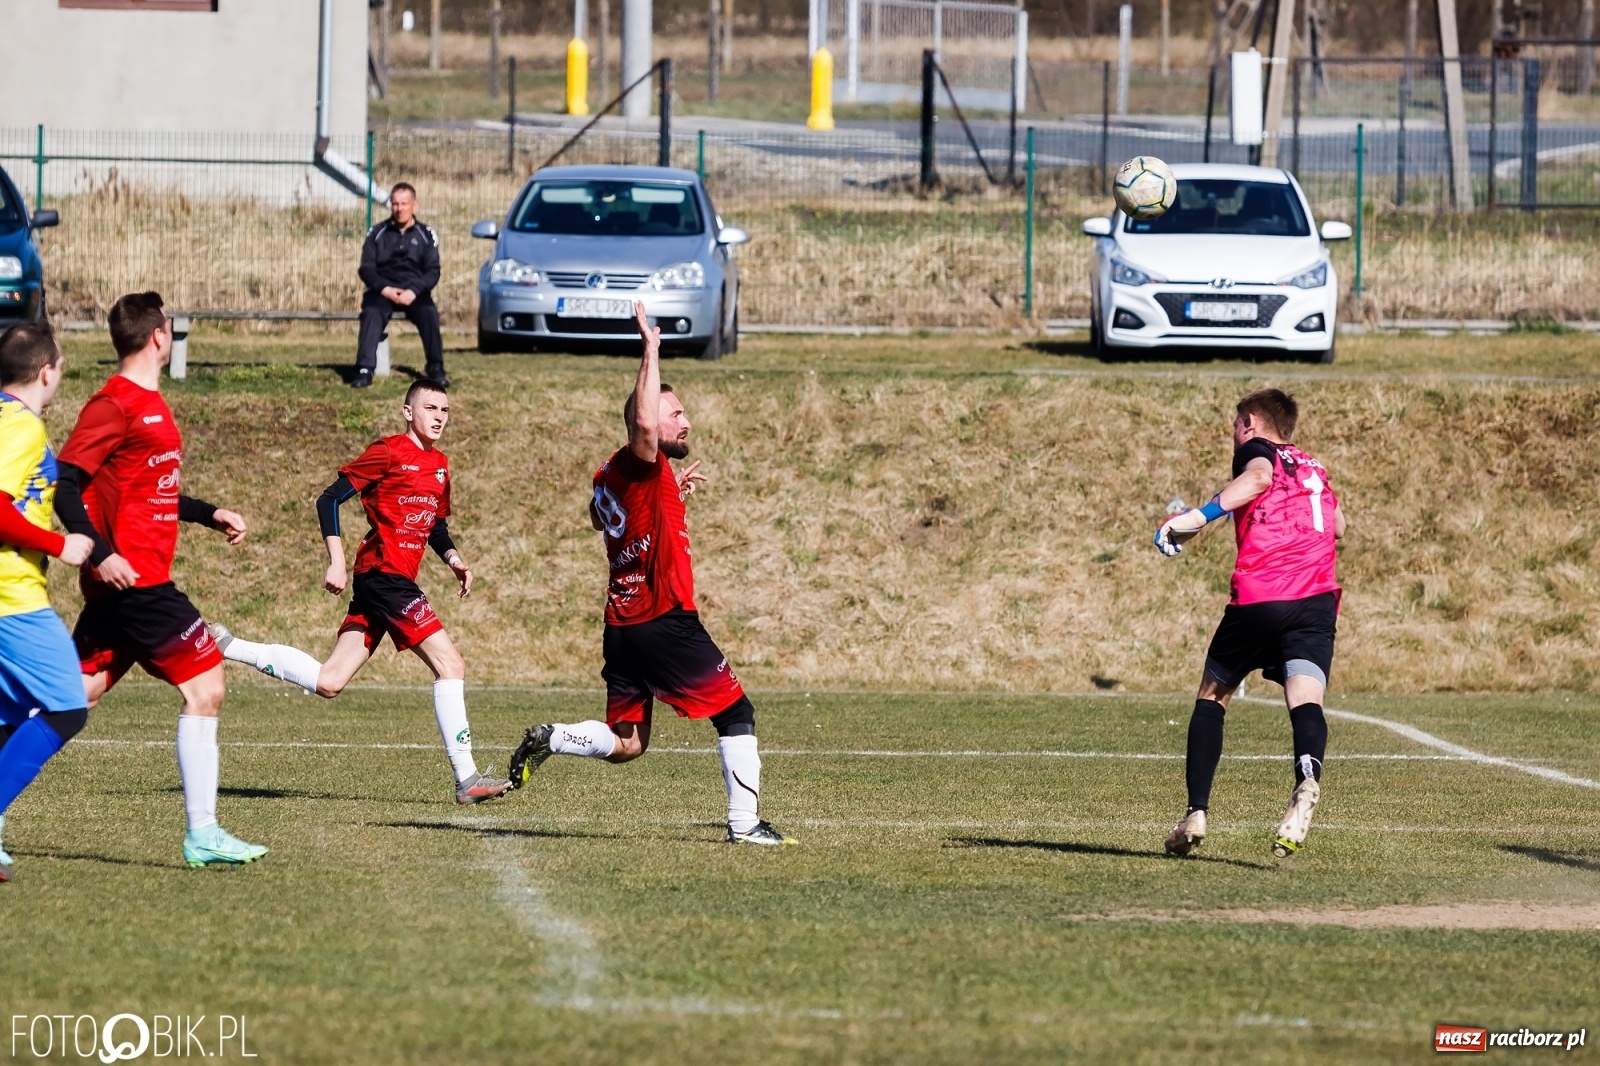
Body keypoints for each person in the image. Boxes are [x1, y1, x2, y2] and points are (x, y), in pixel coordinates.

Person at [506, 301, 794, 846]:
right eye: (676, 413)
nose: (685, 421)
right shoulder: (644, 458)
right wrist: (651, 347)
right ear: (647, 423)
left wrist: (666, 499)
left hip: (623, 624)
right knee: (737, 712)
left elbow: (600, 518)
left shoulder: (613, 472)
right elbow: (644, 423)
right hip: (664, 618)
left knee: (629, 741)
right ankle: (745, 826)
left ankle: (557, 737)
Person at [209, 379, 511, 805]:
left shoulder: (440, 465)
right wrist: (335, 559)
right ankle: (467, 779)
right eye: (430, 408)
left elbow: (434, 524)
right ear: (409, 412)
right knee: (452, 665)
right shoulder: (387, 451)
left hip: (387, 581)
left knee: (329, 682)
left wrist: (454, 560)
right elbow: (328, 500)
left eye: (445, 410)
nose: (440, 417)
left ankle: (226, 644)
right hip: (385, 577)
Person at [53, 292, 267, 869]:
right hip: (137, 582)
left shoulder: (151, 403)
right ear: (159, 335)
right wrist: (100, 553)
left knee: (75, 698)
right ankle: (203, 833)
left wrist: (207, 512)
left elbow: (152, 490)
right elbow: (65, 484)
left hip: (133, 581)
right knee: (206, 686)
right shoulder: (115, 403)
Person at [1153, 387, 1346, 859]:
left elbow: (1258, 479)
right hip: (1317, 599)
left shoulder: (1258, 453)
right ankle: (1306, 781)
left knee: (1213, 695)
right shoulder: (1313, 466)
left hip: (1264, 594)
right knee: (1305, 698)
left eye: (1236, 425)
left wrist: (1193, 517)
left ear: (1252, 423)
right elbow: (1339, 526)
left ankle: (1196, 812)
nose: (1234, 435)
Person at [0, 324, 96, 882]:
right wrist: (61, 545)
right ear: (46, 372)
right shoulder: (23, 426)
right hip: (12, 595)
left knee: (9, 715)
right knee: (66, 706)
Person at [354, 182, 445, 389]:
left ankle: (435, 367)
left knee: (429, 313)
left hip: (415, 293)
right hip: (382, 291)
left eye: (404, 203)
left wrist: (414, 291)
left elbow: (433, 271)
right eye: (395, 204)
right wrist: (384, 288)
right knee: (371, 312)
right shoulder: (377, 233)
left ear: (415, 205)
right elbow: (366, 269)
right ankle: (364, 369)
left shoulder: (426, 235)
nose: (399, 208)